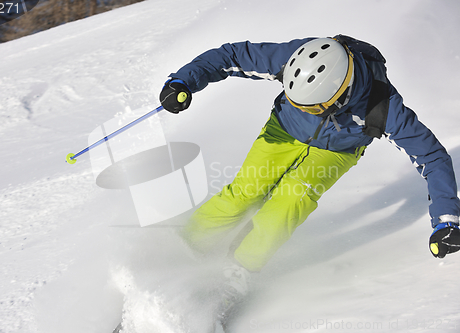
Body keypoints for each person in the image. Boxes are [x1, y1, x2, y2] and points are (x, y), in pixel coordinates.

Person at [159, 35, 460, 319]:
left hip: (336, 151)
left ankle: (238, 272)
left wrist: (446, 220)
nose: (304, 108)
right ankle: (186, 246)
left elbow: (432, 156)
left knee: (289, 203)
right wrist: (184, 80)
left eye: (310, 107)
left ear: (339, 98)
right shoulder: (301, 56)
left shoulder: (383, 107)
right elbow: (232, 55)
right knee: (245, 191)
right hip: (284, 129)